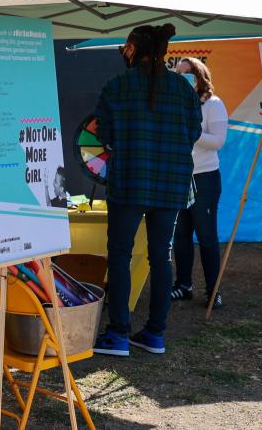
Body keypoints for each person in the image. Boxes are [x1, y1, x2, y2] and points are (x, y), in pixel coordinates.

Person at [91, 23, 201, 358]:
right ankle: (155, 334)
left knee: (121, 256)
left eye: (126, 46)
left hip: (129, 181)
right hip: (171, 183)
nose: (123, 51)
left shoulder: (117, 85)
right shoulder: (183, 90)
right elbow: (194, 133)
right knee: (160, 256)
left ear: (135, 49)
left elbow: (103, 132)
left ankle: (119, 334)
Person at [172, 57, 228, 309]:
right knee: (180, 235)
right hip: (178, 176)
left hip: (204, 177)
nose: (181, 78)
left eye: (186, 74)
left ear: (198, 77)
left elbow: (217, 141)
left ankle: (213, 290)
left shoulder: (213, 104)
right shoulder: (173, 104)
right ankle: (183, 286)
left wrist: (190, 131)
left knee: (206, 236)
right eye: (177, 74)